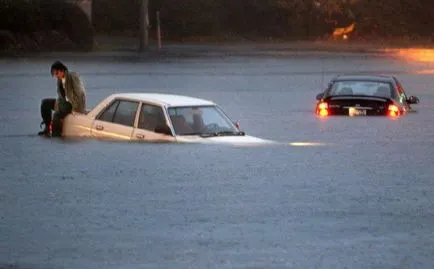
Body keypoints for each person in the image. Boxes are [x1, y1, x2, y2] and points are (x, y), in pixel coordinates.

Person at [38, 61, 87, 137]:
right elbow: (61, 95)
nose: (56, 76)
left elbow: (80, 93)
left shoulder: (72, 76)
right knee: (45, 103)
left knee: (57, 115)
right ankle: (47, 127)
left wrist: (76, 108)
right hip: (62, 102)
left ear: (62, 70)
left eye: (57, 73)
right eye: (54, 74)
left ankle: (56, 135)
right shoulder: (59, 79)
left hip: (72, 104)